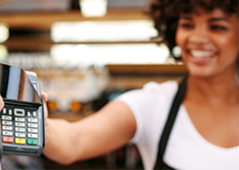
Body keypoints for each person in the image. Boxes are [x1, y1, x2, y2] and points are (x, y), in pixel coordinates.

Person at [42, 0, 239, 169]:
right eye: (187, 25)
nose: (197, 38)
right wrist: (41, 125)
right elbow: (75, 140)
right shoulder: (154, 105)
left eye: (217, 27)